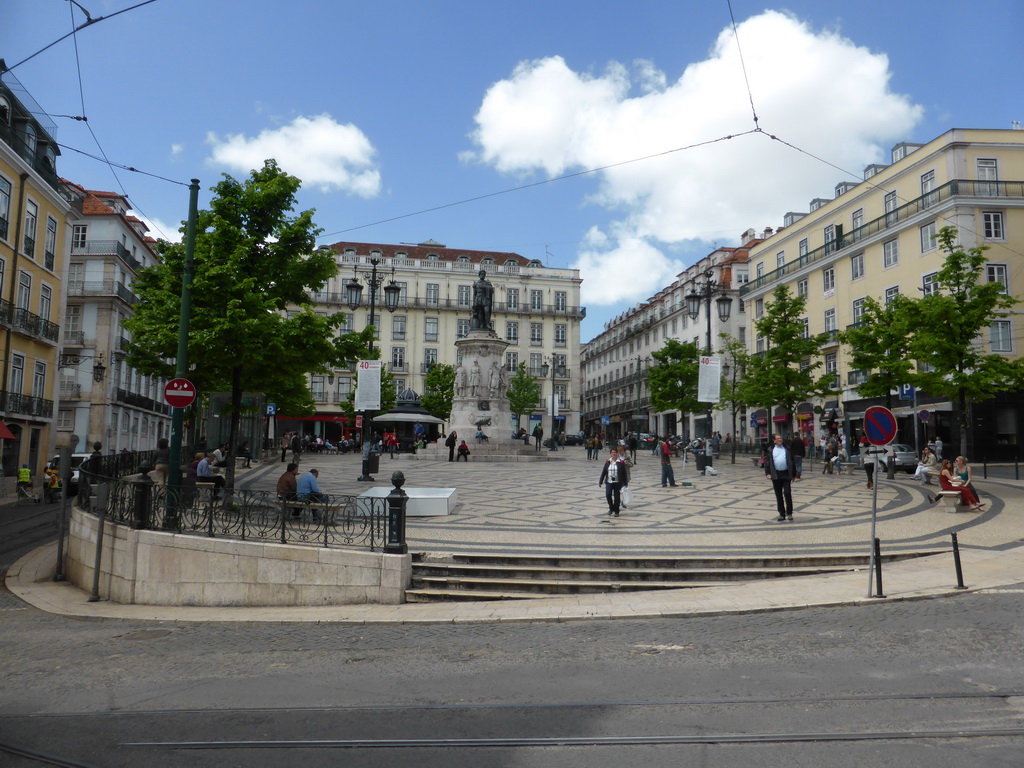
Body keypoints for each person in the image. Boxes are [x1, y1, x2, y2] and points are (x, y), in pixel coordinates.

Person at [764, 433, 794, 521]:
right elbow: (767, 462)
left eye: (781, 438)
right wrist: (768, 473)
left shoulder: (787, 448)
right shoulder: (771, 450)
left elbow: (792, 461)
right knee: (779, 495)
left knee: (787, 493)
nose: (780, 440)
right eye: (778, 438)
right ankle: (782, 514)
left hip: (786, 474)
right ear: (774, 441)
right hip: (776, 475)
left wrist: (794, 474)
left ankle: (789, 513)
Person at [598, 447, 629, 517]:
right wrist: (600, 481)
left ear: (617, 453)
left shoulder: (620, 462)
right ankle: (611, 508)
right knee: (608, 495)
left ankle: (616, 511)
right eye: (612, 452)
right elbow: (604, 472)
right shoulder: (607, 462)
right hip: (609, 481)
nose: (613, 454)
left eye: (615, 452)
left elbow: (624, 473)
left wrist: (625, 483)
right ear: (610, 454)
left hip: (618, 482)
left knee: (617, 497)